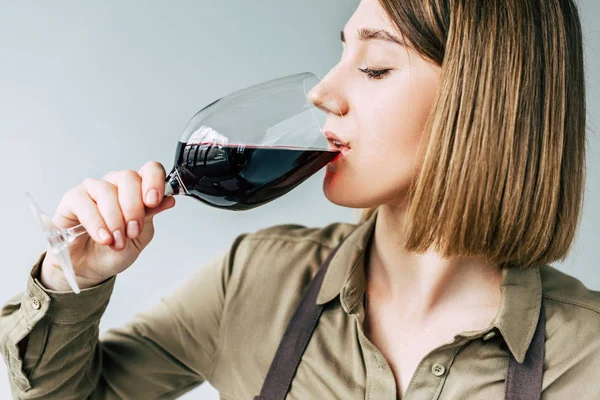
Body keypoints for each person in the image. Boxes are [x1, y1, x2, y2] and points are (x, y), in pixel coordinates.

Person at [1, 0, 597, 398]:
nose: (321, 93)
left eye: (376, 67)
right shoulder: (257, 279)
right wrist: (69, 278)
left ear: (484, 102)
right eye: (343, 53)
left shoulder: (588, 359)